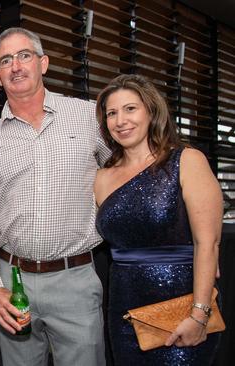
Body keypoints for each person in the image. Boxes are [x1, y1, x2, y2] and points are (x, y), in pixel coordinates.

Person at [0, 27, 109, 365]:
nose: (16, 66)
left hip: (75, 279)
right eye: (5, 60)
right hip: (11, 282)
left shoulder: (90, 117)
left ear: (43, 63)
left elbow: (125, 173)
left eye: (24, 55)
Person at [94, 74, 221, 365]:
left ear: (151, 111)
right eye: (111, 113)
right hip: (124, 309)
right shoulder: (101, 178)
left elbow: (208, 244)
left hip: (183, 307)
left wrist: (199, 315)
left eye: (130, 108)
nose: (120, 120)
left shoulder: (187, 160)